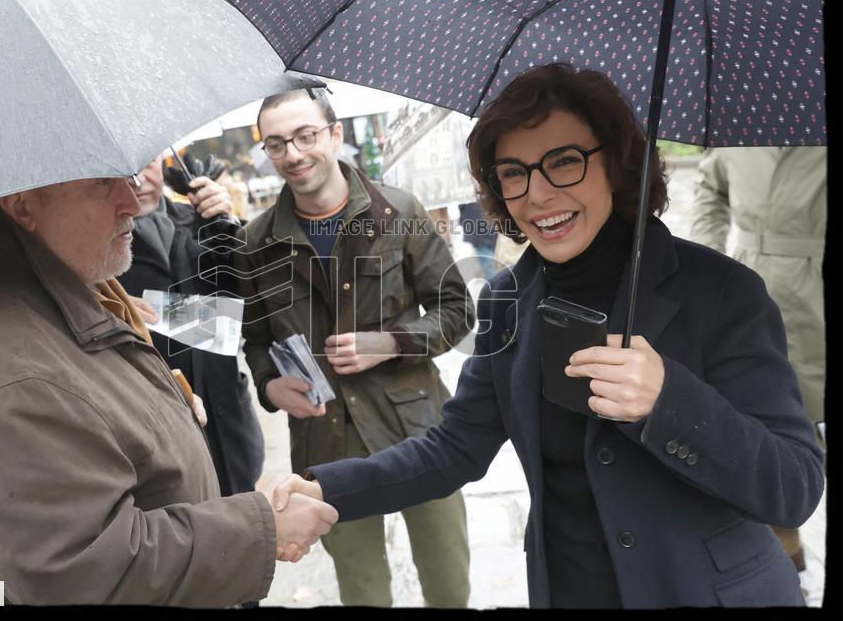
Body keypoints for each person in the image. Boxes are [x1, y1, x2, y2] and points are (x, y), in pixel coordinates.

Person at [270, 63, 825, 609]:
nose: (536, 195)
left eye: (565, 162)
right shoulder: (509, 301)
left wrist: (668, 401)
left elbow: (793, 486)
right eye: (513, 171)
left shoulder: (722, 292)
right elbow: (455, 448)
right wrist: (325, 489)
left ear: (620, 164)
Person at [0, 172, 338, 606]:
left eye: (130, 175)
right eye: (102, 184)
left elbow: (84, 399)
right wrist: (263, 531)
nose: (132, 201)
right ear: (22, 204)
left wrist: (153, 396)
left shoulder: (20, 265)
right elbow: (86, 573)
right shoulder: (10, 380)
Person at [235, 87, 476, 607]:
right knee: (362, 589)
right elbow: (254, 341)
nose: (293, 154)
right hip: (326, 440)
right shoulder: (255, 243)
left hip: (419, 431)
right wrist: (271, 386)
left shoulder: (400, 211)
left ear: (335, 134)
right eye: (276, 144)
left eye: (305, 136)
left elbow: (458, 310)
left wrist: (390, 342)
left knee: (448, 579)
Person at [689, 146, 826, 594]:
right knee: (765, 427)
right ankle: (786, 561)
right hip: (751, 288)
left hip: (816, 288)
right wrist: (708, 261)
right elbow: (710, 189)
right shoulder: (741, 123)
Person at [117, 149, 266, 498]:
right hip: (158, 429)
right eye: (122, 171)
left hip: (227, 417)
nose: (137, 180)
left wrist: (227, 223)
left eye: (146, 165)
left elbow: (253, 298)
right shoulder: (94, 250)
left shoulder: (199, 220)